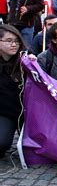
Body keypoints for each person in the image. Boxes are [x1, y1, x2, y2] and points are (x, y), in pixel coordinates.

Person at [0, 25, 26, 157]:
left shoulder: (25, 59)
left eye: (16, 41)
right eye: (9, 41)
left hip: (26, 113)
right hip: (5, 113)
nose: (14, 44)